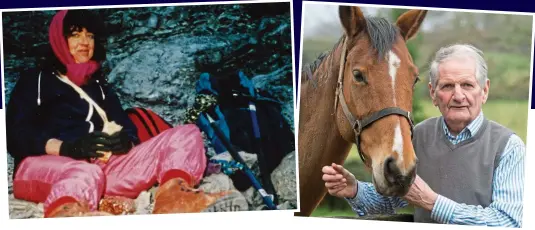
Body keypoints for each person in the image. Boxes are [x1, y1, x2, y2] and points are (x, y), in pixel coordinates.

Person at [6, 9, 247, 218]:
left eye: (90, 36)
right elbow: (15, 135)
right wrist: (68, 148)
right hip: (44, 169)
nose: (84, 42)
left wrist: (125, 141)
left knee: (186, 133)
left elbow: (126, 126)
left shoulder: (99, 86)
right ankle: (67, 213)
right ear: (59, 39)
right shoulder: (35, 80)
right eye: (75, 34)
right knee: (83, 171)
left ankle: (174, 198)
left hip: (103, 171)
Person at [322, 44, 524, 227]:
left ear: (484, 91)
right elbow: (392, 199)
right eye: (447, 86)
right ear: (433, 94)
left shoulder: (508, 147)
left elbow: (507, 222)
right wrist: (355, 190)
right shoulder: (418, 135)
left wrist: (432, 203)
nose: (459, 96)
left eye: (467, 85)